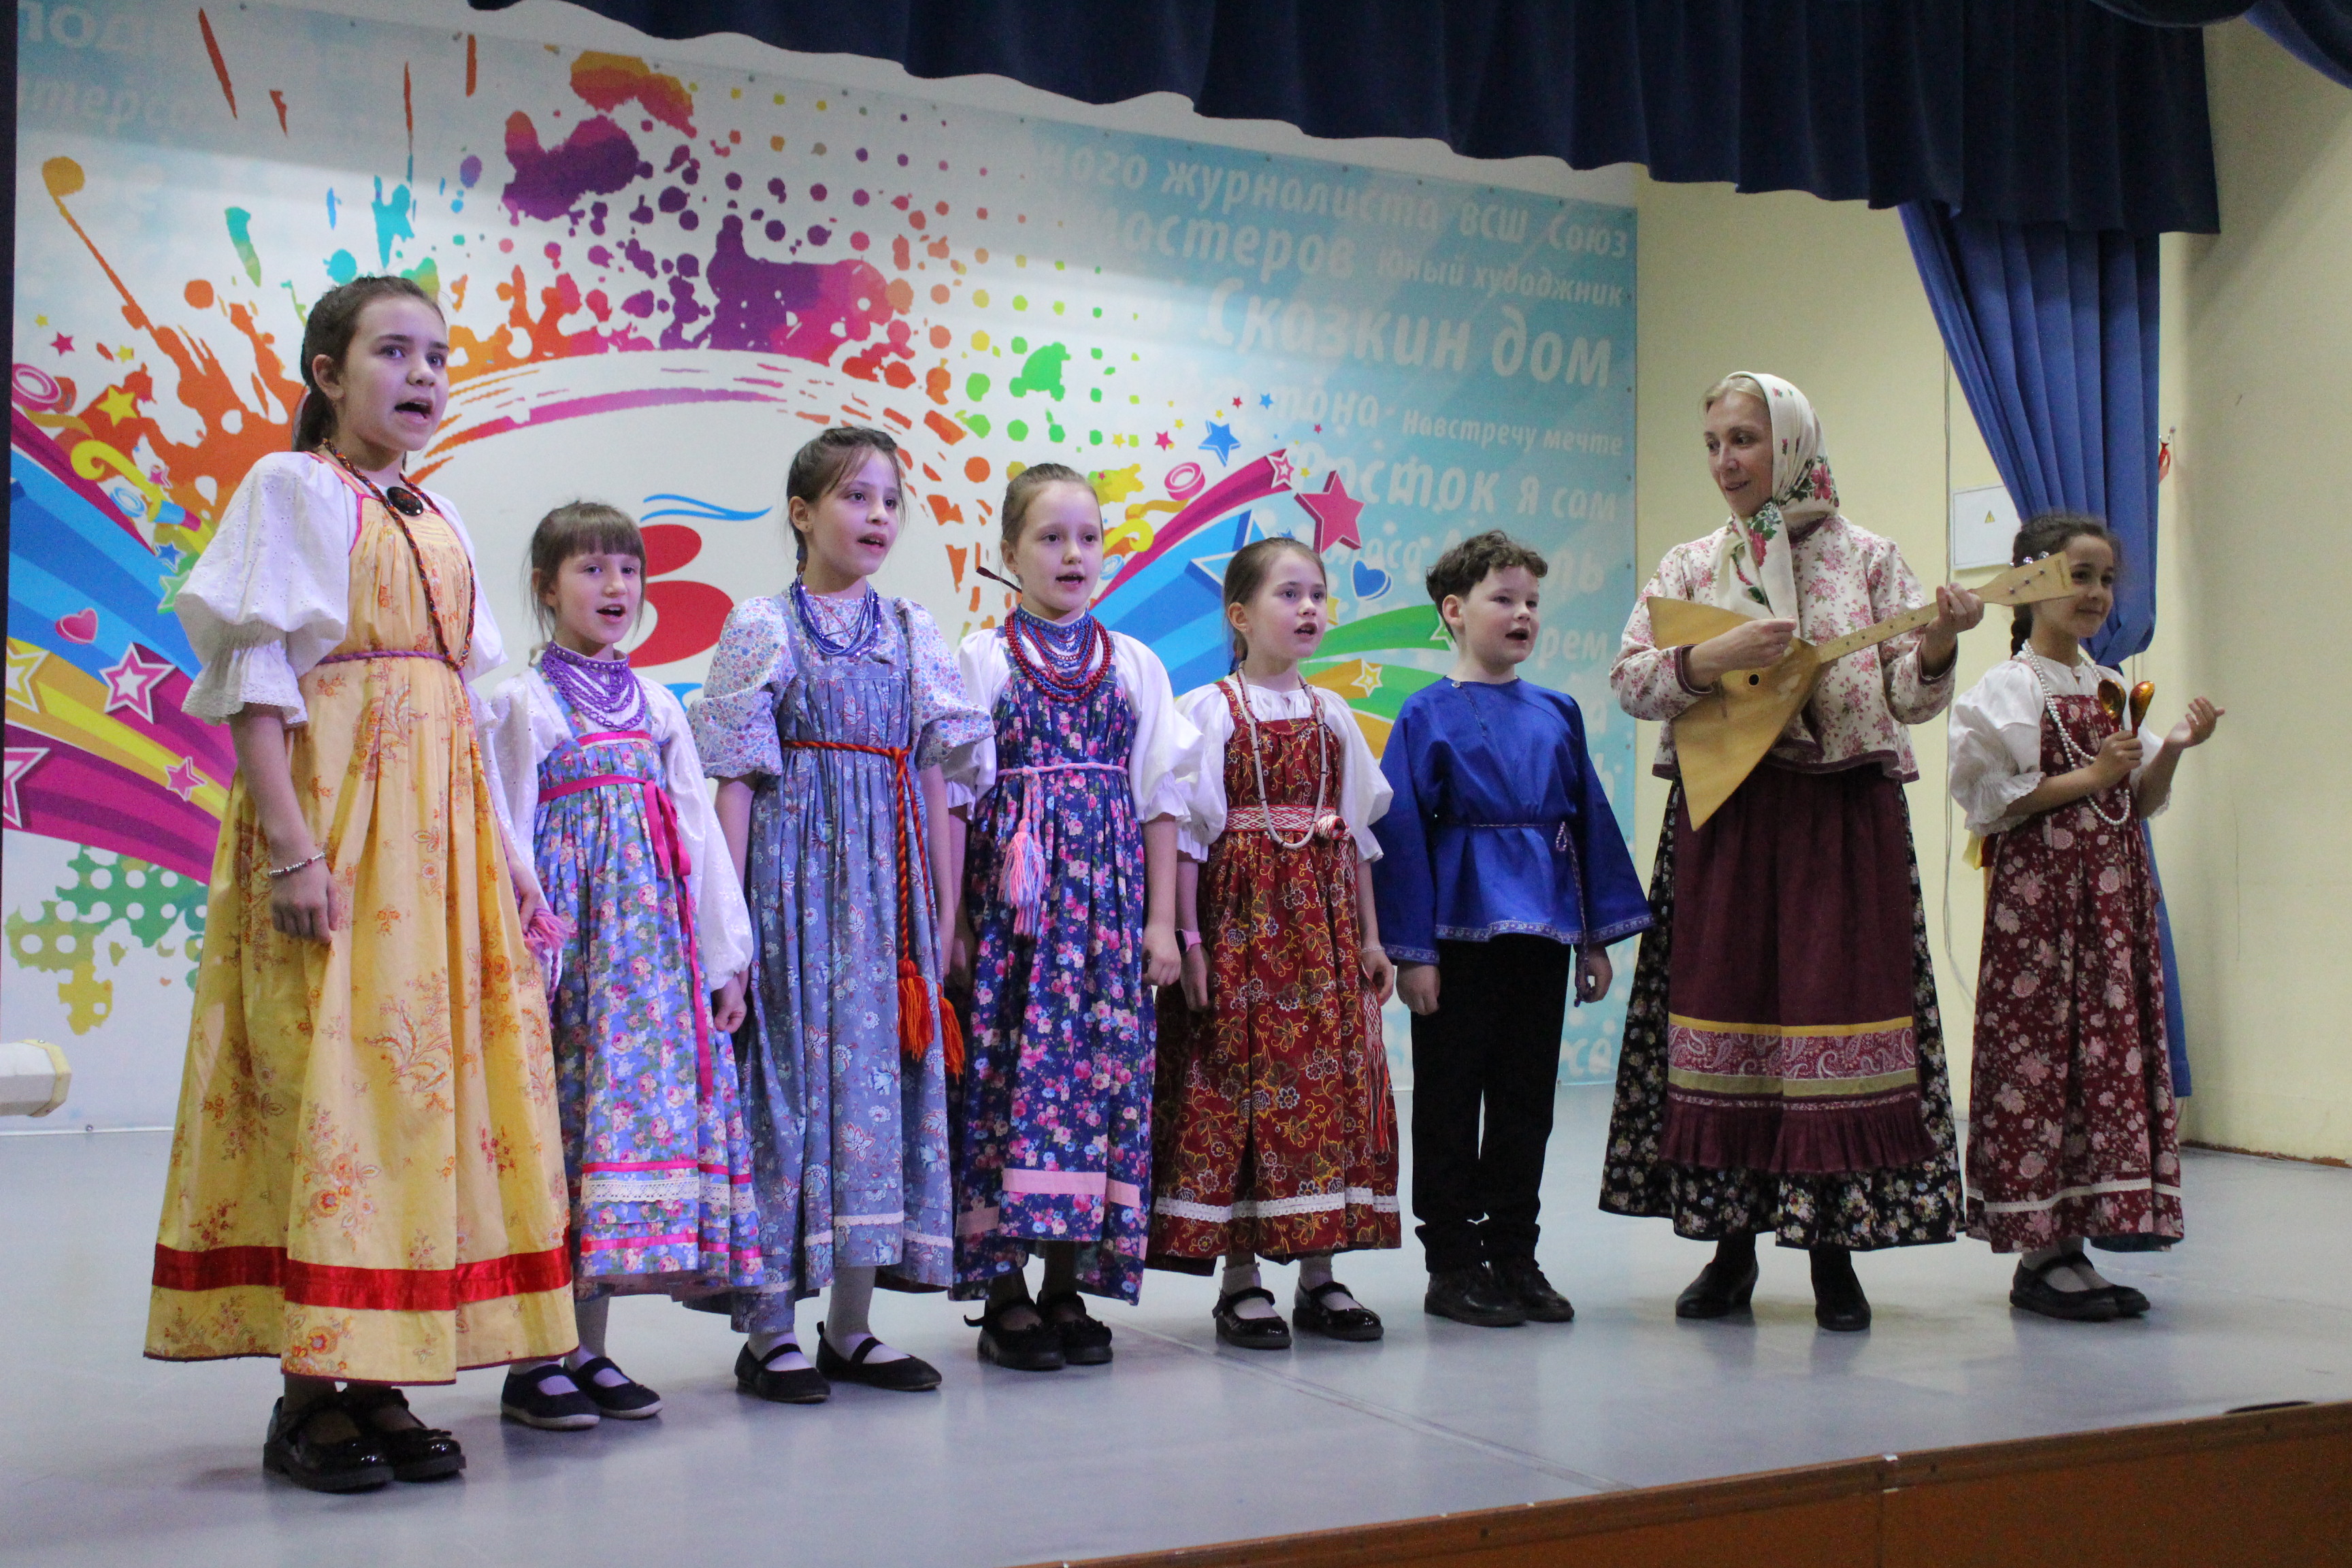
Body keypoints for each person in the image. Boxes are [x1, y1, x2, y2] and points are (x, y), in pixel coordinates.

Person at [145, 276, 571, 1491]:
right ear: (328, 374)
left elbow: (468, 709)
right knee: (328, 1082)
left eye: (436, 355)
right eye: (394, 352)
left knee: (419, 1092)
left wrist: (512, 862)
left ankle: (381, 1374)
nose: (422, 374)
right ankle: (308, 1394)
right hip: (339, 824)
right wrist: (293, 849)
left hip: (439, 847)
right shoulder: (293, 488)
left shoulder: (439, 514)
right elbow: (258, 683)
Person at [1601, 372, 1982, 1332]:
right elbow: (1632, 680)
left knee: (1831, 1023)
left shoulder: (1870, 558)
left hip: (1839, 821)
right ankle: (1730, 1250)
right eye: (1714, 443)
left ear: (1795, 443)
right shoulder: (1693, 564)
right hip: (1728, 818)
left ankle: (1831, 1256)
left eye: (1745, 439)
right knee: (1730, 1016)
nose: (1726, 461)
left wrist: (1939, 642)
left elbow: (1910, 698)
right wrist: (1708, 661)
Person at [691, 427, 989, 1402]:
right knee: (789, 1091)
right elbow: (736, 780)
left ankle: (851, 1328)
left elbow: (939, 776)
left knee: (879, 1093)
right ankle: (769, 1331)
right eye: (856, 497)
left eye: (890, 500)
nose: (878, 517)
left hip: (889, 896)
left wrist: (941, 911)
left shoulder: (911, 629)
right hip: (794, 893)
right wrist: (729, 928)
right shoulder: (765, 624)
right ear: (802, 513)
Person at [485, 502, 760, 1426]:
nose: (615, 587)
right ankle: (536, 1361)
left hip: (647, 968)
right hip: (571, 956)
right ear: (545, 588)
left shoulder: (659, 706)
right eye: (591, 569)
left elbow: (696, 834)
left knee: (611, 1141)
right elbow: (506, 829)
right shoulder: (522, 704)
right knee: (560, 1139)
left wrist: (723, 960)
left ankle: (589, 1352)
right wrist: (525, 947)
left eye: (628, 570)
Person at [1375, 530, 1652, 1328]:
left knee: (1526, 1098)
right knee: (1450, 1097)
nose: (1523, 613)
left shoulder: (1557, 712)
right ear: (1455, 611)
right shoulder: (1425, 713)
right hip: (1459, 939)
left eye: (1532, 601)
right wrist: (1414, 954)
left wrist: (1592, 937)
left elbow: (1586, 824)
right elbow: (1402, 841)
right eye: (1503, 599)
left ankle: (1515, 1255)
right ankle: (1453, 1262)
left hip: (1543, 934)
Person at [945, 463, 1188, 1371]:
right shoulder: (981, 659)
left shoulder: (1136, 665)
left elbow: (1160, 801)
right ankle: (1003, 1291)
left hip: (1108, 919)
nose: (1072, 554)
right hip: (1015, 921)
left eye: (1088, 537)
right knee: (1007, 1082)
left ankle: (1066, 1284)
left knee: (1097, 1085)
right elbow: (956, 801)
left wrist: (1163, 924)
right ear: (1010, 553)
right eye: (1050, 538)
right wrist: (954, 922)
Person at [1948, 511, 2220, 1321]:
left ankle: (2074, 1244)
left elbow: (2135, 799)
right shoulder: (2009, 688)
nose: (2097, 593)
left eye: (2105, 579)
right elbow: (1992, 802)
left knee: (2099, 1060)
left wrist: (2171, 749)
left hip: (2109, 905)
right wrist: (2094, 774)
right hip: (2042, 911)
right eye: (2080, 576)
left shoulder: (2105, 685)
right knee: (2043, 1059)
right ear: (2032, 583)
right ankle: (2040, 1255)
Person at [1152, 537, 1401, 1349]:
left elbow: (1355, 838)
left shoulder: (1334, 716)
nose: (1308, 609)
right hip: (1242, 929)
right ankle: (1241, 1281)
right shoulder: (1209, 710)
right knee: (1241, 1091)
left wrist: (1372, 939)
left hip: (1322, 937)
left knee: (1324, 1091)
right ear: (1239, 614)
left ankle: (1320, 1275)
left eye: (1317, 595)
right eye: (1288, 594)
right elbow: (1190, 840)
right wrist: (1192, 942)